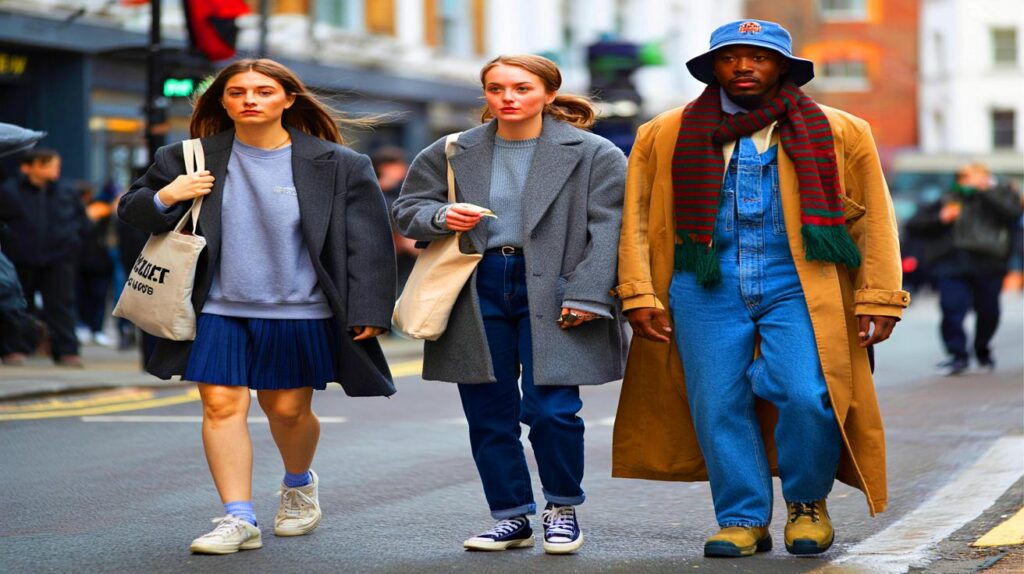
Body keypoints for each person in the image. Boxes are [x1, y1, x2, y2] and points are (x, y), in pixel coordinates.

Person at [612, 20, 910, 558]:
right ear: (713, 67)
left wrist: (880, 296)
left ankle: (806, 502)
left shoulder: (842, 130)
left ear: (783, 67)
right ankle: (742, 518)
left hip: (800, 283)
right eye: (731, 58)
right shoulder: (665, 132)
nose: (744, 67)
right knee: (717, 403)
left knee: (808, 393)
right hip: (702, 285)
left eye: (759, 57)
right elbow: (635, 218)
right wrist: (638, 292)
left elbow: (875, 222)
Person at [117, 58, 397, 555]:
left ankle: (297, 485)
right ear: (222, 101)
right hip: (216, 308)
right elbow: (133, 211)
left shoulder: (339, 164)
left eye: (263, 91)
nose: (250, 99)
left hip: (300, 308)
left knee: (287, 410)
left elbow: (369, 244)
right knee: (221, 404)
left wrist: (370, 309)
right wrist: (167, 194)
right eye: (238, 92)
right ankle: (237, 517)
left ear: (288, 99)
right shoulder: (189, 156)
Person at [393, 54, 626, 554]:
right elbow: (407, 210)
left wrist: (588, 293)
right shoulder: (452, 150)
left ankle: (561, 507)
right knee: (488, 410)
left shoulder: (593, 153)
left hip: (558, 283)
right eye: (496, 88)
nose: (508, 97)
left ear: (547, 93)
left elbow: (610, 229)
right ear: (486, 95)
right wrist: (441, 215)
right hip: (475, 283)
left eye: (521, 88)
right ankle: (511, 517)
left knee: (552, 410)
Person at [906, 163, 1023, 375]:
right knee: (951, 308)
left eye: (976, 178)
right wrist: (940, 218)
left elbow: (1013, 215)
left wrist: (986, 193)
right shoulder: (948, 198)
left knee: (988, 311)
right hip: (951, 263)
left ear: (987, 178)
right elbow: (914, 224)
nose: (970, 183)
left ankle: (982, 347)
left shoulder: (1001, 195)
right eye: (965, 178)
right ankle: (957, 355)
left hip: (989, 263)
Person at [0, 148, 87, 366]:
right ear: (28, 167)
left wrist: (72, 242)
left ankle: (67, 351)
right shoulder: (9, 191)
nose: (55, 169)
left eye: (56, 164)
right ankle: (14, 349)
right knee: (16, 304)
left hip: (59, 259)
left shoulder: (67, 192)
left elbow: (82, 222)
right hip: (20, 259)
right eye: (47, 164)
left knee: (61, 305)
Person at [371, 146, 418, 295]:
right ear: (385, 167)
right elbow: (406, 244)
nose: (405, 168)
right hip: (391, 271)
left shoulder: (387, 196)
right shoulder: (387, 200)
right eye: (399, 164)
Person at [75, 181, 116, 347]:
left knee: (98, 297)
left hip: (99, 262)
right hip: (82, 262)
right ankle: (84, 326)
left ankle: (95, 329)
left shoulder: (101, 208)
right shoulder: (76, 213)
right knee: (83, 296)